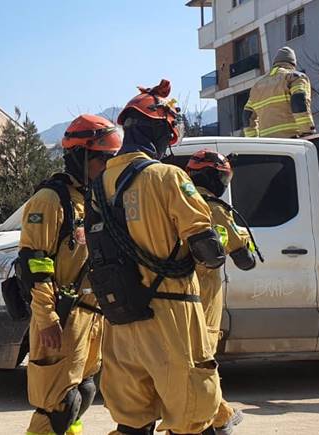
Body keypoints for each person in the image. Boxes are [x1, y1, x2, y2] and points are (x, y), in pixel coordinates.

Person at [87, 79, 225, 434]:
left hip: (121, 318)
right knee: (195, 416)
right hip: (171, 315)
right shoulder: (168, 177)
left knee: (132, 422)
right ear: (162, 131)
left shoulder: (98, 185)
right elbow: (207, 250)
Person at [19, 114, 121, 435]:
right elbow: (35, 263)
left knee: (83, 393)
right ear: (82, 155)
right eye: (102, 159)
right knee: (57, 407)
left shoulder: (90, 200)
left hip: (91, 317)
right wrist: (47, 316)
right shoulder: (51, 200)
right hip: (61, 317)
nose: (106, 167)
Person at [186, 149, 258, 435]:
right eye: (223, 177)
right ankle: (215, 418)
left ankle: (212, 415)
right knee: (203, 362)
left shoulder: (179, 202)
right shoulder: (215, 208)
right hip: (204, 298)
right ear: (212, 177)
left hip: (174, 297)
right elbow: (246, 260)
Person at [243, 46, 315, 138]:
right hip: (292, 140)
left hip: (269, 145)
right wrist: (307, 132)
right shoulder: (294, 77)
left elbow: (247, 115)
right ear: (293, 64)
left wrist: (254, 141)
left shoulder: (257, 86)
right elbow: (299, 100)